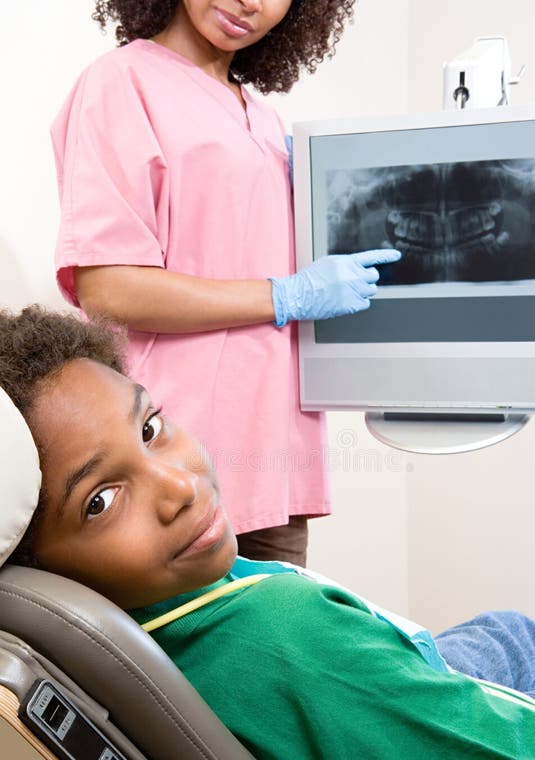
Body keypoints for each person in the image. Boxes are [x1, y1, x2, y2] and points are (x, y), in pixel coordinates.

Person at [2, 305, 535, 760]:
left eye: (151, 429)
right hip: (401, 717)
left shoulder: (151, 612)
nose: (181, 487)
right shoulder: (285, 639)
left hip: (350, 686)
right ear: (39, 557)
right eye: (101, 501)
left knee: (510, 632)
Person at [51, 0, 401, 568]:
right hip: (173, 460)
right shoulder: (120, 83)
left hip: (276, 459)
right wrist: (284, 295)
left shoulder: (263, 119)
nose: (250, 3)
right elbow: (109, 288)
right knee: (184, 654)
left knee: (278, 649)